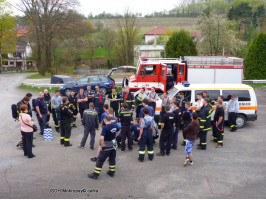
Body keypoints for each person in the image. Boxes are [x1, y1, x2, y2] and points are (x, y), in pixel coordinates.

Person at [88, 116, 121, 180]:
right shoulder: (115, 125)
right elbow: (119, 130)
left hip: (107, 147)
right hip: (113, 146)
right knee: (112, 159)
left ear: (105, 120)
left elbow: (101, 138)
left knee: (100, 160)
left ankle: (95, 174)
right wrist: (115, 136)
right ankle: (111, 172)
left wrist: (102, 144)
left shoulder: (105, 128)